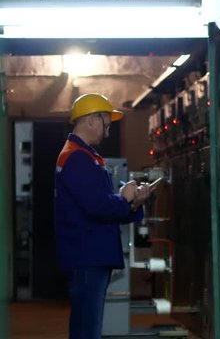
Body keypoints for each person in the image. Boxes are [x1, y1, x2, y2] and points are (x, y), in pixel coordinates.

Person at [53, 93, 152, 339]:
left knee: (87, 327)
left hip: (91, 253)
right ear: (91, 120)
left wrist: (132, 203)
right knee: (87, 330)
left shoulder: (85, 156)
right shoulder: (76, 157)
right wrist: (126, 198)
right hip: (88, 255)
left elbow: (101, 205)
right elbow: (97, 206)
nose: (107, 133)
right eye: (106, 125)